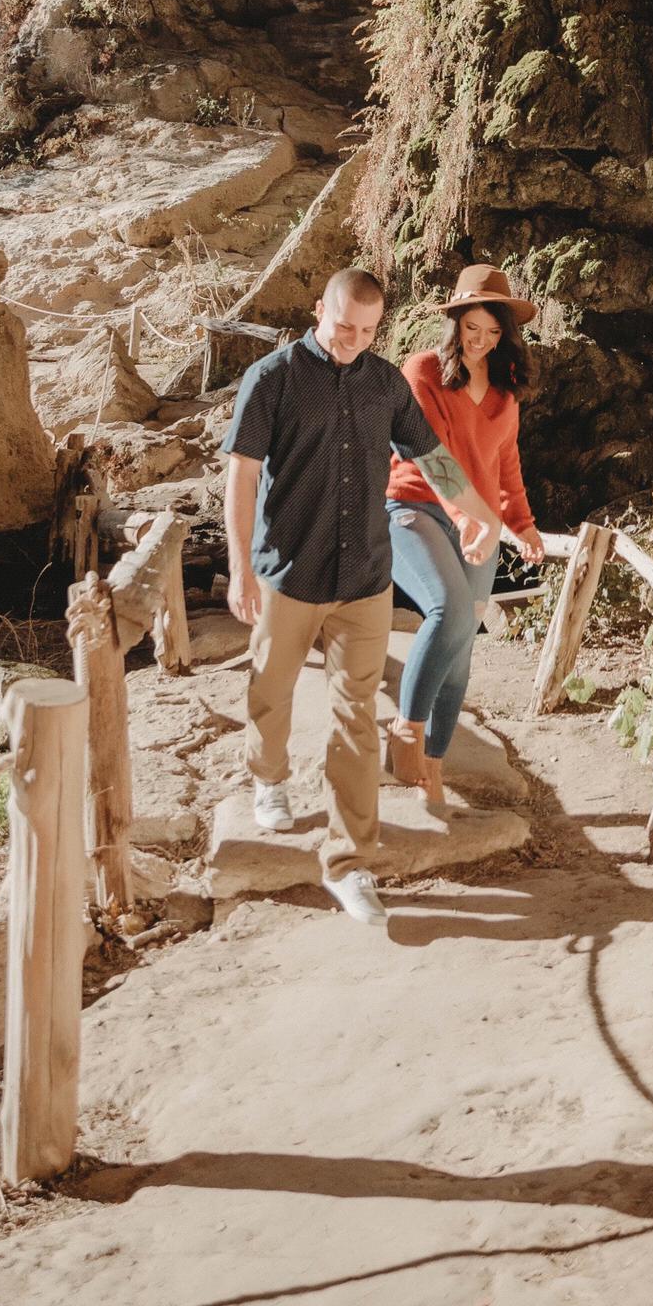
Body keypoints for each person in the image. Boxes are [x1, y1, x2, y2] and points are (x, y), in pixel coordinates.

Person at [221, 266, 501, 927]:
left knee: (353, 722)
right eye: (343, 326)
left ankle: (349, 866)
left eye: (368, 331)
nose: (353, 340)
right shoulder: (273, 379)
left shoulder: (385, 384)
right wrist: (239, 569)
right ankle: (268, 775)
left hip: (364, 581)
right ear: (319, 310)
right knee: (271, 690)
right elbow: (240, 476)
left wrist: (471, 512)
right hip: (288, 572)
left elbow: (430, 456)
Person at [385, 264, 544, 807]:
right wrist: (468, 520)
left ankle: (432, 767)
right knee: (449, 609)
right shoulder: (422, 371)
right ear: (455, 323)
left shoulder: (505, 391)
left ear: (506, 336)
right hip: (414, 510)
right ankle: (406, 730)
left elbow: (506, 463)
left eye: (493, 332)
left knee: (462, 650)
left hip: (480, 524)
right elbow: (431, 458)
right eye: (472, 328)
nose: (481, 341)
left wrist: (520, 524)